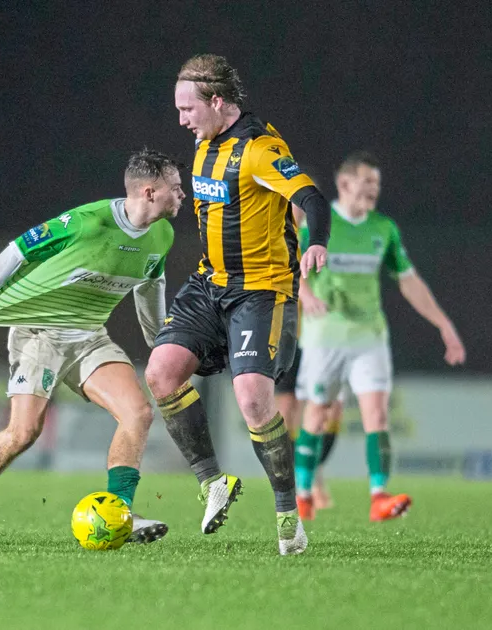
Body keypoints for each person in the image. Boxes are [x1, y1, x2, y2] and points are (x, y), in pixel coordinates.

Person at [0, 149, 184, 545]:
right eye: (176, 187)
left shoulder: (163, 235)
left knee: (137, 413)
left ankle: (121, 512)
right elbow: (15, 253)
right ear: (150, 192)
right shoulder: (86, 222)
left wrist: (161, 346)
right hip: (39, 335)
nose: (183, 194)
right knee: (23, 432)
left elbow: (151, 288)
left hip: (89, 336)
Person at [145, 54, 335, 556]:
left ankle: (288, 516)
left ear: (218, 101)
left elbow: (311, 197)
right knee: (162, 373)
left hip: (260, 290)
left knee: (252, 400)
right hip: (211, 285)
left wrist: (317, 242)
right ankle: (212, 482)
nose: (182, 119)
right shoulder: (204, 145)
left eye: (188, 108)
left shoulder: (261, 148)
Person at [293, 151, 465, 522]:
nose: (374, 189)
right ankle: (303, 494)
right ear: (343, 184)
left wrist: (443, 323)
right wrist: (305, 294)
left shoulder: (383, 229)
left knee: (377, 415)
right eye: (366, 181)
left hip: (369, 336)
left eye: (377, 183)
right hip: (325, 337)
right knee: (318, 414)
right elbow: (293, 267)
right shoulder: (320, 225)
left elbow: (409, 281)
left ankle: (378, 496)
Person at [274, 203, 340, 510]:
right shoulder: (277, 234)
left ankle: (314, 473)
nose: (301, 208)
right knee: (286, 411)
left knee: (328, 411)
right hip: (286, 334)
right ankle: (294, 485)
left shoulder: (324, 240)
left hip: (323, 339)